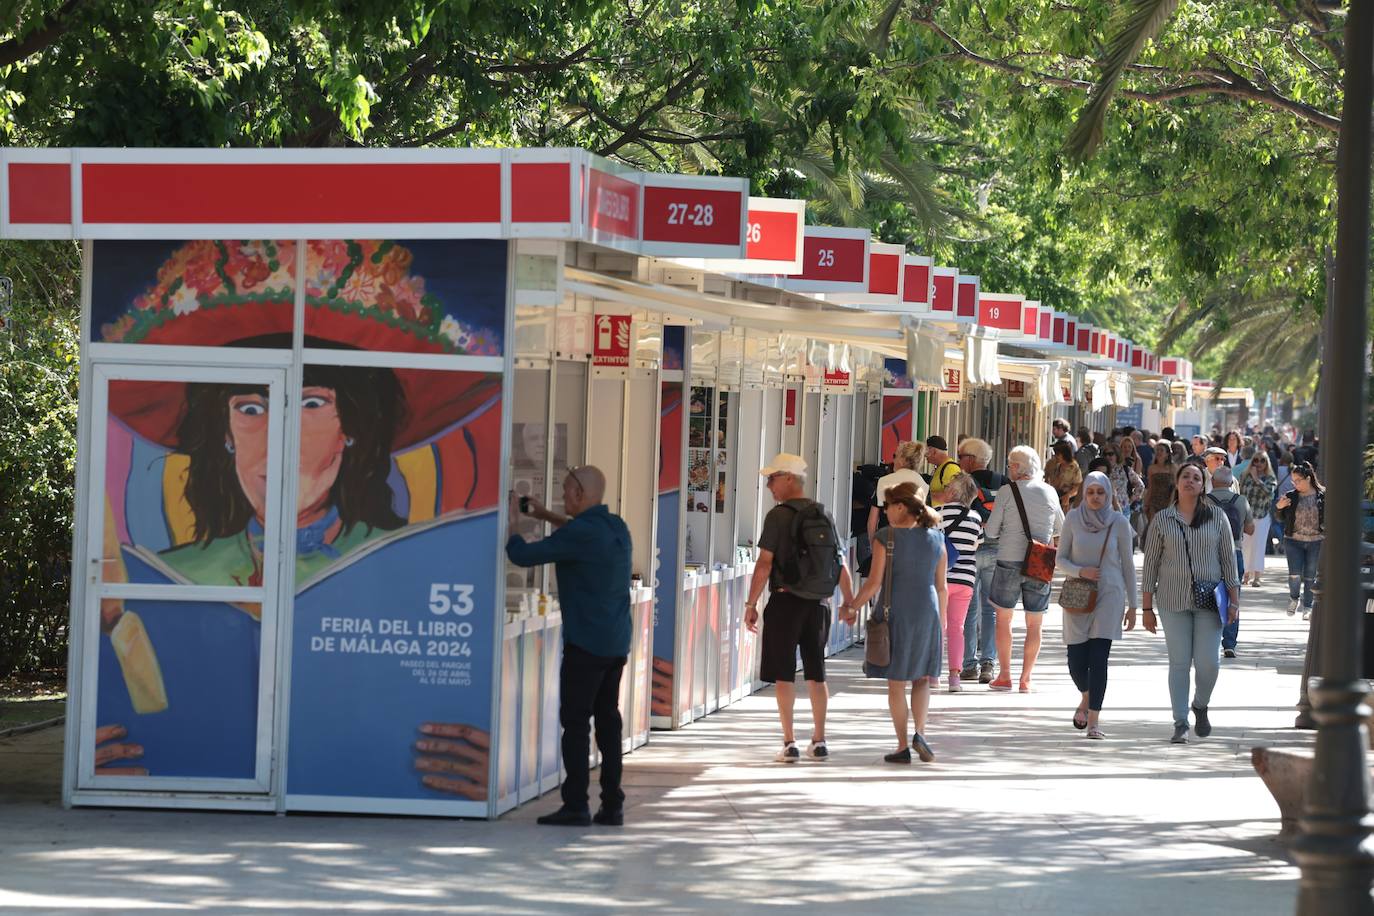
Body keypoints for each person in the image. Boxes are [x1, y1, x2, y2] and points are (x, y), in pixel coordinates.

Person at [507, 466, 632, 827]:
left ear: (580, 494)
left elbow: (523, 557)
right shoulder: (614, 527)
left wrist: (514, 524)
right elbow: (578, 534)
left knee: (576, 722)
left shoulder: (582, 533)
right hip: (615, 642)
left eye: (565, 491)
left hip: (586, 644)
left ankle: (576, 803)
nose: (563, 497)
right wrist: (546, 515)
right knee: (608, 721)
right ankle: (612, 804)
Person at [745, 453, 855, 762]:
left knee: (783, 675)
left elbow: (765, 564)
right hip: (818, 605)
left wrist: (751, 603)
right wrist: (848, 602)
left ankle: (789, 742)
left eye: (772, 479)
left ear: (789, 479)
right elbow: (840, 562)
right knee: (816, 674)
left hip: (785, 601)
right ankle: (819, 740)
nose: (769, 486)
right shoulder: (824, 514)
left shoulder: (778, 516)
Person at [841, 482, 947, 763]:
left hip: (896, 615)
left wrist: (851, 606)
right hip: (929, 614)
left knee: (897, 682)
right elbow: (942, 587)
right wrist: (943, 622)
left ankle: (902, 745)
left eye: (888, 505)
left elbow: (874, 583)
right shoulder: (937, 539)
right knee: (922, 678)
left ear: (901, 507)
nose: (886, 511)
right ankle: (920, 732)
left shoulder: (886, 537)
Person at [1140, 463, 1241, 744]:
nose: (1190, 481)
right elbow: (1150, 566)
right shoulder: (1162, 519)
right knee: (1180, 663)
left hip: (1209, 601)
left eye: (1196, 478)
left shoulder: (1217, 517)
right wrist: (1146, 608)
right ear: (1177, 482)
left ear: (1203, 485)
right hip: (1172, 601)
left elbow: (1229, 563)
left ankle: (1200, 704)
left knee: (1209, 664)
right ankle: (1180, 722)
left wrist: (1234, 601)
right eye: (1185, 476)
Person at [1058, 472, 1136, 740]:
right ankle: (1087, 696)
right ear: (1084, 494)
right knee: (1076, 662)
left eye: (1100, 492)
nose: (1094, 497)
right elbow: (1060, 559)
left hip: (1110, 596)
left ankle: (1094, 721)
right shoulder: (1072, 519)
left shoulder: (1119, 523)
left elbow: (1128, 565)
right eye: (1090, 492)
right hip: (1078, 595)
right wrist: (1081, 571)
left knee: (1099, 658)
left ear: (1109, 494)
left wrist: (1135, 605)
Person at [984, 445, 1065, 692]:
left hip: (1009, 559)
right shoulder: (1050, 492)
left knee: (1003, 619)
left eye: (1010, 465)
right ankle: (1025, 679)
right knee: (1034, 623)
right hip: (1040, 562)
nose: (1008, 469)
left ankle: (1005, 676)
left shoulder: (1007, 492)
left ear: (1018, 468)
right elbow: (1060, 528)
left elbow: (991, 531)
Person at [956, 437, 1007, 685]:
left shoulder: (963, 482)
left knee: (968, 608)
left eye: (961, 456)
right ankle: (989, 662)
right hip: (997, 548)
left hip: (969, 550)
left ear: (971, 460)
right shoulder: (1005, 483)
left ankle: (969, 664)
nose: (958, 461)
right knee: (991, 610)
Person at [935, 473, 983, 693]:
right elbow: (976, 545)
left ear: (953, 492)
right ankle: (955, 677)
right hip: (965, 579)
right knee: (957, 627)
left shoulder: (936, 515)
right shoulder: (975, 518)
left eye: (946, 487)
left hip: (939, 578)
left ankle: (932, 674)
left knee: (937, 627)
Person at [1207, 467, 1254, 659]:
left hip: (1210, 553)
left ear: (1213, 481)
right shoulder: (1241, 501)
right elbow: (1250, 529)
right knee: (1233, 597)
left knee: (1209, 596)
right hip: (1235, 553)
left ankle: (1209, 639)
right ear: (1230, 482)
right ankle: (1230, 643)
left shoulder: (1205, 500)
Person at [1275, 461, 1325, 620]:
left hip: (1315, 541)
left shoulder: (1322, 495)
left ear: (1308, 479)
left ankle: (1308, 607)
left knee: (1311, 576)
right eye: (1293, 481)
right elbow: (1279, 517)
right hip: (1293, 540)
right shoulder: (1291, 496)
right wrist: (1279, 507)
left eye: (1298, 480)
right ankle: (1294, 598)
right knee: (1294, 575)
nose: (1295, 484)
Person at [868, 440, 929, 546]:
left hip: (886, 541)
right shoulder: (924, 486)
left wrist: (874, 546)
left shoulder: (883, 482)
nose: (893, 460)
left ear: (902, 460)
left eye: (895, 456)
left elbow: (872, 521)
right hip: (913, 545)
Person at [1238, 453, 1277, 587]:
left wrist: (1256, 479)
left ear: (1267, 463)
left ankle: (1257, 577)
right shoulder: (1244, 476)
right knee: (1245, 546)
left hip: (1262, 516)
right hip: (1246, 516)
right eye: (1256, 460)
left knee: (1259, 546)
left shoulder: (1270, 478)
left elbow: (1269, 493)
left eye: (1262, 461)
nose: (1259, 463)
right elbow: (1240, 494)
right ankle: (1245, 574)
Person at [1143, 443, 1175, 535]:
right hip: (1154, 501)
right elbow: (1150, 487)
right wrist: (1146, 503)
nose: (1159, 452)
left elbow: (1175, 487)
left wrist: (1171, 503)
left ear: (1167, 454)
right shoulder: (1151, 468)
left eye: (1162, 450)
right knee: (1153, 527)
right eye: (1157, 450)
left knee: (1166, 528)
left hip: (1168, 500)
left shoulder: (1173, 468)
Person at [1045, 439, 1083, 513]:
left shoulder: (1074, 467)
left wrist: (1068, 495)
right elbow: (1046, 479)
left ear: (1065, 454)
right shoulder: (1051, 464)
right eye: (1055, 453)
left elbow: (1078, 486)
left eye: (1058, 454)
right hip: (1052, 498)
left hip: (1067, 502)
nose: (1055, 456)